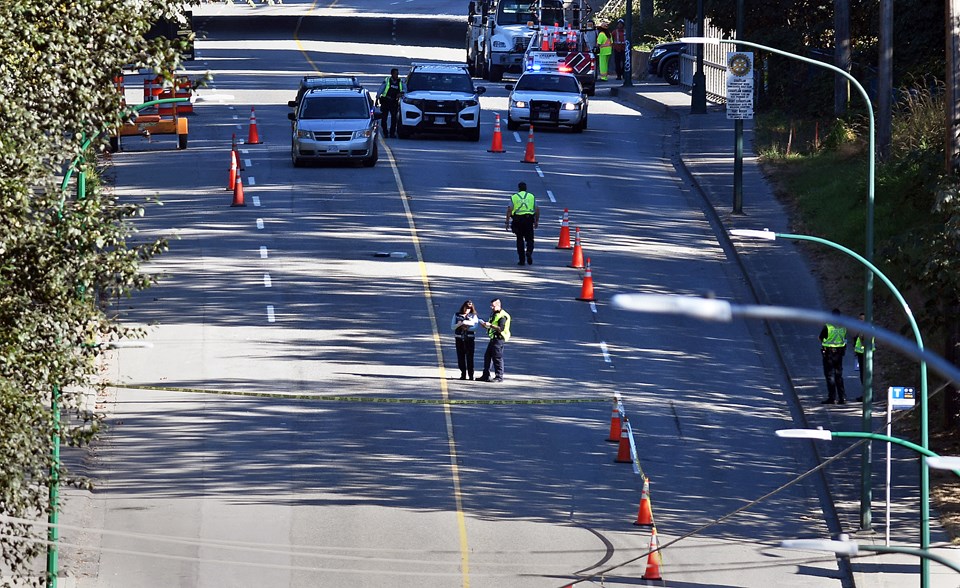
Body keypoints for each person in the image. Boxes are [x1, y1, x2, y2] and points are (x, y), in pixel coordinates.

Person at [505, 181, 540, 266]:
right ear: (526, 188)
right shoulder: (531, 196)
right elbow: (537, 209)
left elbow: (509, 209)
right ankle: (529, 252)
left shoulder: (514, 197)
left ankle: (522, 260)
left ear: (519, 189)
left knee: (519, 239)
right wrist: (536, 221)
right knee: (530, 239)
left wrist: (507, 221)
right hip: (529, 220)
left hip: (518, 220)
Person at [477, 298, 511, 382]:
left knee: (497, 357)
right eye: (491, 306)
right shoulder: (494, 313)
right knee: (487, 356)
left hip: (499, 338)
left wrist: (490, 325)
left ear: (498, 305)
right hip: (493, 338)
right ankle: (486, 375)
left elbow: (501, 328)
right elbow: (492, 324)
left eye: (493, 306)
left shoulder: (503, 316)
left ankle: (499, 376)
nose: (491, 307)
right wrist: (485, 325)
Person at [819, 308, 848, 404]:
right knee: (839, 375)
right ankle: (842, 397)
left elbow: (820, 338)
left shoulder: (828, 326)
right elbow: (844, 338)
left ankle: (832, 397)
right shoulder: (843, 327)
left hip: (829, 354)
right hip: (839, 354)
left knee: (830, 375)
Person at [450, 300, 479, 380]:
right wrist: (459, 324)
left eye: (469, 308)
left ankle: (471, 375)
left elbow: (475, 326)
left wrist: (467, 327)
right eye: (466, 307)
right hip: (459, 339)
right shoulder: (457, 315)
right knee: (460, 357)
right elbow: (452, 327)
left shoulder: (473, 316)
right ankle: (463, 374)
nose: (467, 309)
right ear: (463, 306)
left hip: (469, 339)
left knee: (470, 357)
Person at [852, 312, 876, 402]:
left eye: (862, 319)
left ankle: (868, 396)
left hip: (865, 355)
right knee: (863, 376)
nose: (860, 321)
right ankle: (866, 395)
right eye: (859, 319)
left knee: (865, 376)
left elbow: (863, 342)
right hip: (861, 354)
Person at [376, 68, 403, 138]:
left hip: (394, 102)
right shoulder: (387, 80)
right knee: (384, 118)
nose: (397, 75)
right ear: (392, 74)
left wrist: (401, 93)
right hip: (385, 101)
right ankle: (385, 132)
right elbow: (381, 89)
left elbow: (404, 89)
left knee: (394, 119)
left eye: (397, 74)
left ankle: (392, 133)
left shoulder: (400, 81)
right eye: (395, 74)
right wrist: (377, 98)